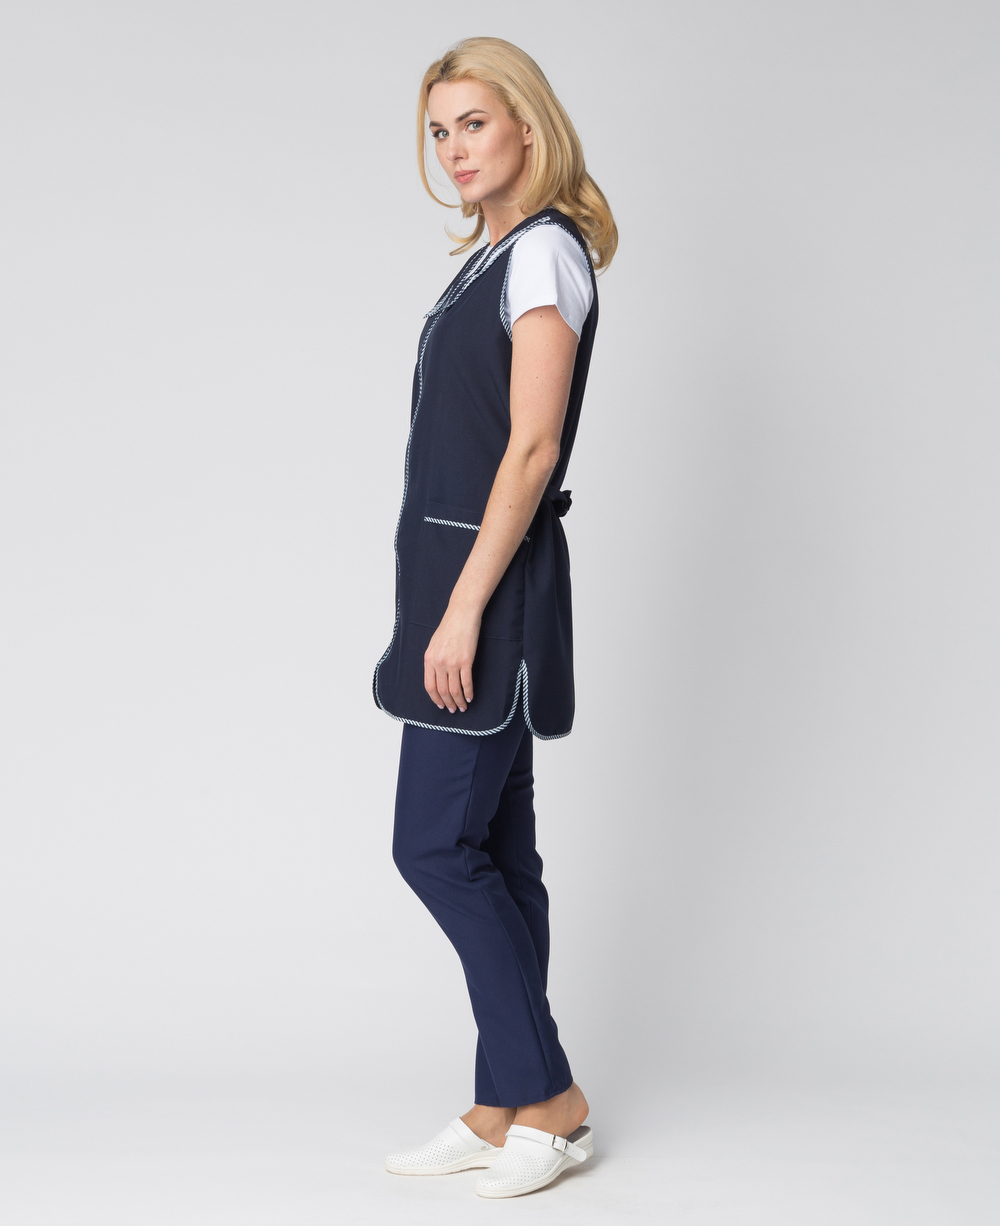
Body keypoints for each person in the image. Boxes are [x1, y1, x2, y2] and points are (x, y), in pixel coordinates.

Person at [373, 36, 617, 1199]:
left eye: (473, 122)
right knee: (496, 850)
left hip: (490, 591)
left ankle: (549, 1096)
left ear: (527, 123)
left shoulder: (544, 256)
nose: (454, 148)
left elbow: (531, 448)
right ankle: (499, 1100)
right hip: (458, 581)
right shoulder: (491, 259)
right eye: (439, 131)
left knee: (432, 845)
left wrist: (464, 609)